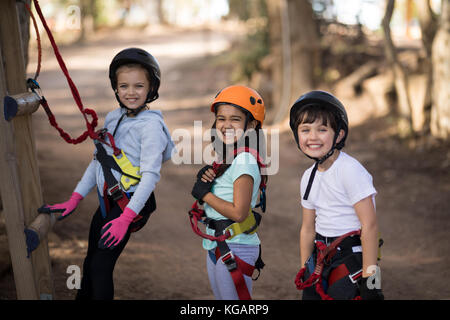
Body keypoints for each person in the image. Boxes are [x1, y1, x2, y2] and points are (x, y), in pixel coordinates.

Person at [38, 48, 174, 300]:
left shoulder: (151, 127)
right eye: (123, 86)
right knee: (90, 264)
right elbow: (100, 162)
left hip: (131, 204)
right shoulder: (114, 118)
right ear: (115, 87)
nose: (130, 92)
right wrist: (74, 199)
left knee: (101, 267)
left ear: (152, 87)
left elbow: (151, 177)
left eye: (138, 86)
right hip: (109, 203)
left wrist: (126, 218)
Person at [290, 90, 384, 300]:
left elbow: (369, 225)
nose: (313, 137)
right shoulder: (308, 176)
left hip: (352, 256)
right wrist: (306, 267)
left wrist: (372, 281)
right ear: (297, 135)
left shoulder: (350, 170)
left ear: (339, 134)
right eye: (305, 130)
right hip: (321, 255)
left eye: (322, 129)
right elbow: (307, 228)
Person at [190, 85, 267, 300]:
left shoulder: (244, 160)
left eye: (235, 119)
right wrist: (210, 178)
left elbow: (239, 213)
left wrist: (205, 194)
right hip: (218, 242)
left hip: (236, 246)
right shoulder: (227, 157)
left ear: (250, 125)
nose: (226, 125)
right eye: (221, 118)